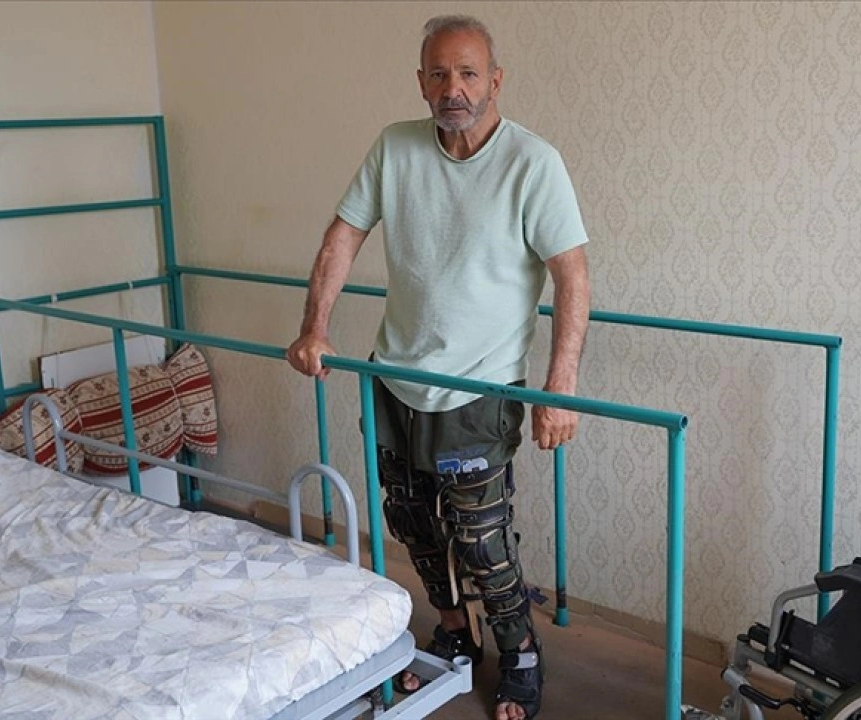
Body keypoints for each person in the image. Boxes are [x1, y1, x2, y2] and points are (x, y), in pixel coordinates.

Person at [286, 14, 590, 720]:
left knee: (481, 541)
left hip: (479, 388)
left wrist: (560, 387)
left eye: (469, 73)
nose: (454, 88)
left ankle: (518, 648)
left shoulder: (532, 162)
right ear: (421, 82)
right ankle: (455, 630)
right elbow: (342, 237)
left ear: (496, 81)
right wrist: (314, 329)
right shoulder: (395, 146)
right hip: (395, 378)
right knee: (413, 523)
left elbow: (572, 275)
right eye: (440, 74)